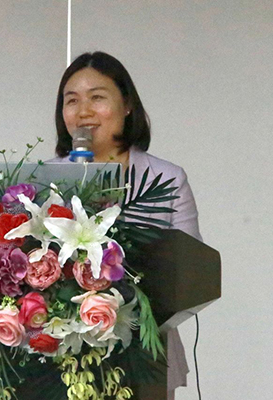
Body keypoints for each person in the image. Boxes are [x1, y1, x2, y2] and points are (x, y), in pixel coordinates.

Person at [49, 51, 202, 399]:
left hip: (142, 352)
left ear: (128, 105)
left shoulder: (166, 178)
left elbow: (192, 270)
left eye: (97, 97)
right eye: (72, 100)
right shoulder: (42, 181)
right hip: (54, 358)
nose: (83, 111)